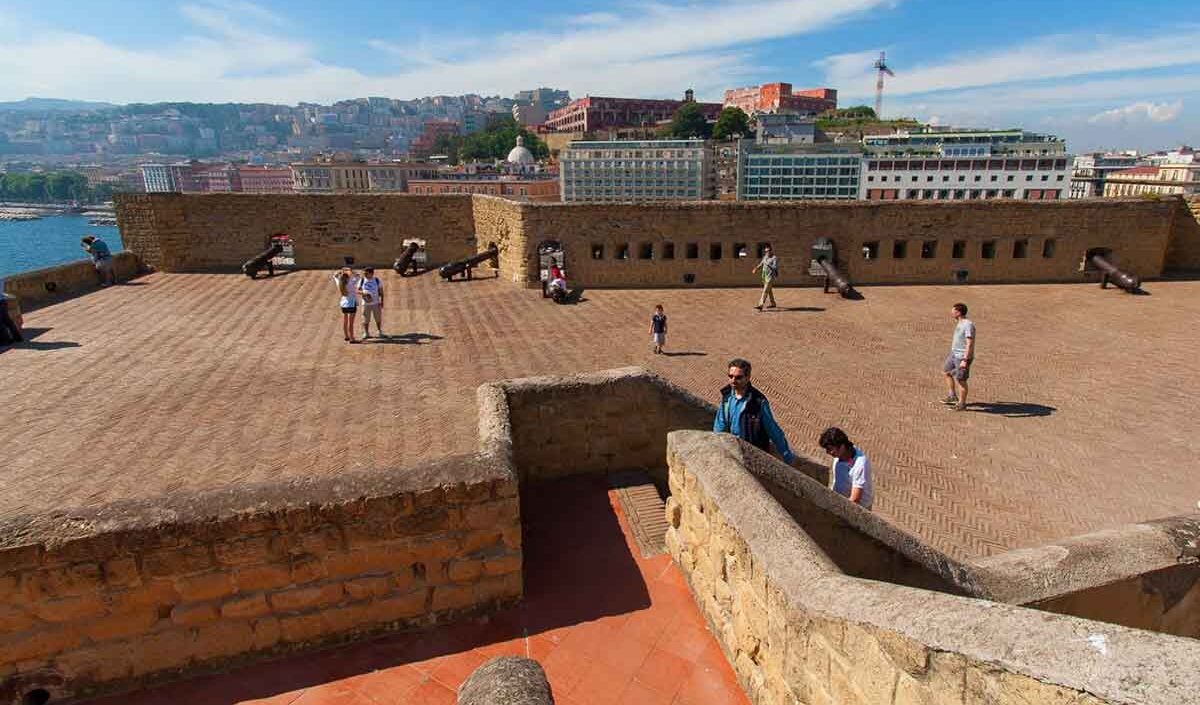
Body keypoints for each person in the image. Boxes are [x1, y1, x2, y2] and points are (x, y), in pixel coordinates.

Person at [713, 358, 795, 463]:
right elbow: (720, 425)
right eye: (730, 376)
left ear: (747, 378)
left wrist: (786, 455)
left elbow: (773, 430)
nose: (733, 380)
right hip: (733, 452)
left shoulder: (758, 402)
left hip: (753, 456)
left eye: (738, 377)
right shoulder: (727, 398)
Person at [820, 427, 873, 510]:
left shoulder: (860, 464)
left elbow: (855, 499)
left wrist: (837, 509)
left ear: (842, 446)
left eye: (830, 449)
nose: (828, 453)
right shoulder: (839, 455)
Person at [942, 302, 976, 411]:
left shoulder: (968, 325)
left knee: (961, 380)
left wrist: (965, 360)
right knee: (946, 372)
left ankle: (962, 404)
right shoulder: (960, 322)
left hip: (962, 357)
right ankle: (952, 396)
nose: (951, 312)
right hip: (954, 354)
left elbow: (969, 343)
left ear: (958, 312)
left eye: (953, 311)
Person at [332, 268, 360, 343]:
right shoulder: (351, 283)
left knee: (345, 321)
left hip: (344, 304)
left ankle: (346, 336)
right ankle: (352, 338)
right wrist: (351, 270)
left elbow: (334, 276)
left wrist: (341, 271)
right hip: (352, 303)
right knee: (351, 323)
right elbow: (358, 276)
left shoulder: (339, 283)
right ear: (348, 277)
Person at [357, 267, 385, 339]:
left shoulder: (377, 280)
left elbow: (381, 292)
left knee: (378, 318)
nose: (365, 275)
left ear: (371, 273)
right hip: (366, 304)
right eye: (364, 273)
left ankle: (379, 331)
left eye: (366, 273)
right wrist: (364, 293)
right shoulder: (362, 280)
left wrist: (382, 301)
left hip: (376, 303)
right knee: (365, 319)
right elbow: (357, 291)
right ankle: (366, 333)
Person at [751, 245, 778, 310]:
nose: (767, 252)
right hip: (764, 276)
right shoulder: (765, 257)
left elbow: (775, 267)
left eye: (768, 251)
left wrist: (768, 264)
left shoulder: (774, 258)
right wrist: (756, 268)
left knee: (765, 291)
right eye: (765, 251)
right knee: (769, 291)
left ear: (771, 251)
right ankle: (773, 303)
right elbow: (761, 264)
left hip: (770, 277)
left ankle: (760, 305)